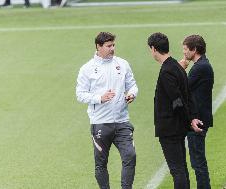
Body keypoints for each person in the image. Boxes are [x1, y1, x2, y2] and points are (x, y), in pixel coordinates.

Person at [76, 32, 138, 189]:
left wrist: (132, 94)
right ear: (98, 46)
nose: (112, 49)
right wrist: (99, 98)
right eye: (109, 46)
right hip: (100, 123)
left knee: (130, 156)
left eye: (113, 45)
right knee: (101, 163)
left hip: (122, 121)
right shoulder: (87, 69)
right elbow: (80, 94)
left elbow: (132, 84)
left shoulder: (122, 64)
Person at [147, 32, 203, 189]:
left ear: (153, 49)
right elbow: (188, 96)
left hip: (170, 129)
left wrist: (189, 120)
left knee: (177, 170)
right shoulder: (177, 67)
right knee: (181, 169)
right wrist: (191, 118)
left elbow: (177, 101)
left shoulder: (167, 71)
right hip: (177, 128)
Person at [180, 35, 214, 189]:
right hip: (198, 119)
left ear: (194, 50)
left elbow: (182, 88)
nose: (184, 52)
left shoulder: (201, 67)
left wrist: (180, 69)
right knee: (197, 161)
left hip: (197, 121)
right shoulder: (201, 65)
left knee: (198, 162)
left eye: (186, 49)